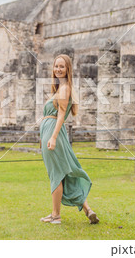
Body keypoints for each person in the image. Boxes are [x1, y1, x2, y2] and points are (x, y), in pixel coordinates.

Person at [39, 54, 99, 225]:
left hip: (54, 133)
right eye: (56, 66)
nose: (58, 69)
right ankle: (88, 210)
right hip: (50, 133)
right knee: (66, 174)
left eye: (62, 67)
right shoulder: (60, 88)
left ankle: (56, 216)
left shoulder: (65, 88)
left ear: (68, 69)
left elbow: (60, 116)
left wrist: (52, 137)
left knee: (56, 175)